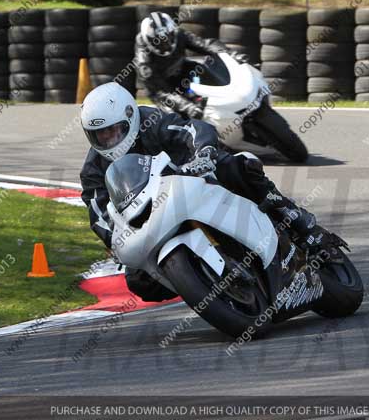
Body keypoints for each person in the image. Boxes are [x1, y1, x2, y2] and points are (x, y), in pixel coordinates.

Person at [79, 82, 325, 302]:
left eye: (112, 131)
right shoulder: (93, 171)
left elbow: (192, 129)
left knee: (237, 167)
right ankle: (206, 282)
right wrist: (114, 238)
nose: (108, 140)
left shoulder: (150, 122)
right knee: (139, 280)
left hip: (196, 178)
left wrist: (203, 153)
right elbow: (99, 215)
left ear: (129, 117)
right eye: (99, 135)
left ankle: (295, 217)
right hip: (154, 215)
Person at [134, 11, 247, 120]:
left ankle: (229, 97)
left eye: (168, 38)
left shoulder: (179, 34)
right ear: (148, 40)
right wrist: (187, 107)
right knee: (174, 118)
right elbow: (160, 92)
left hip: (181, 71)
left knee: (198, 68)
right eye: (159, 42)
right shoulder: (144, 62)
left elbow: (204, 44)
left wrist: (231, 54)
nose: (165, 44)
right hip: (162, 88)